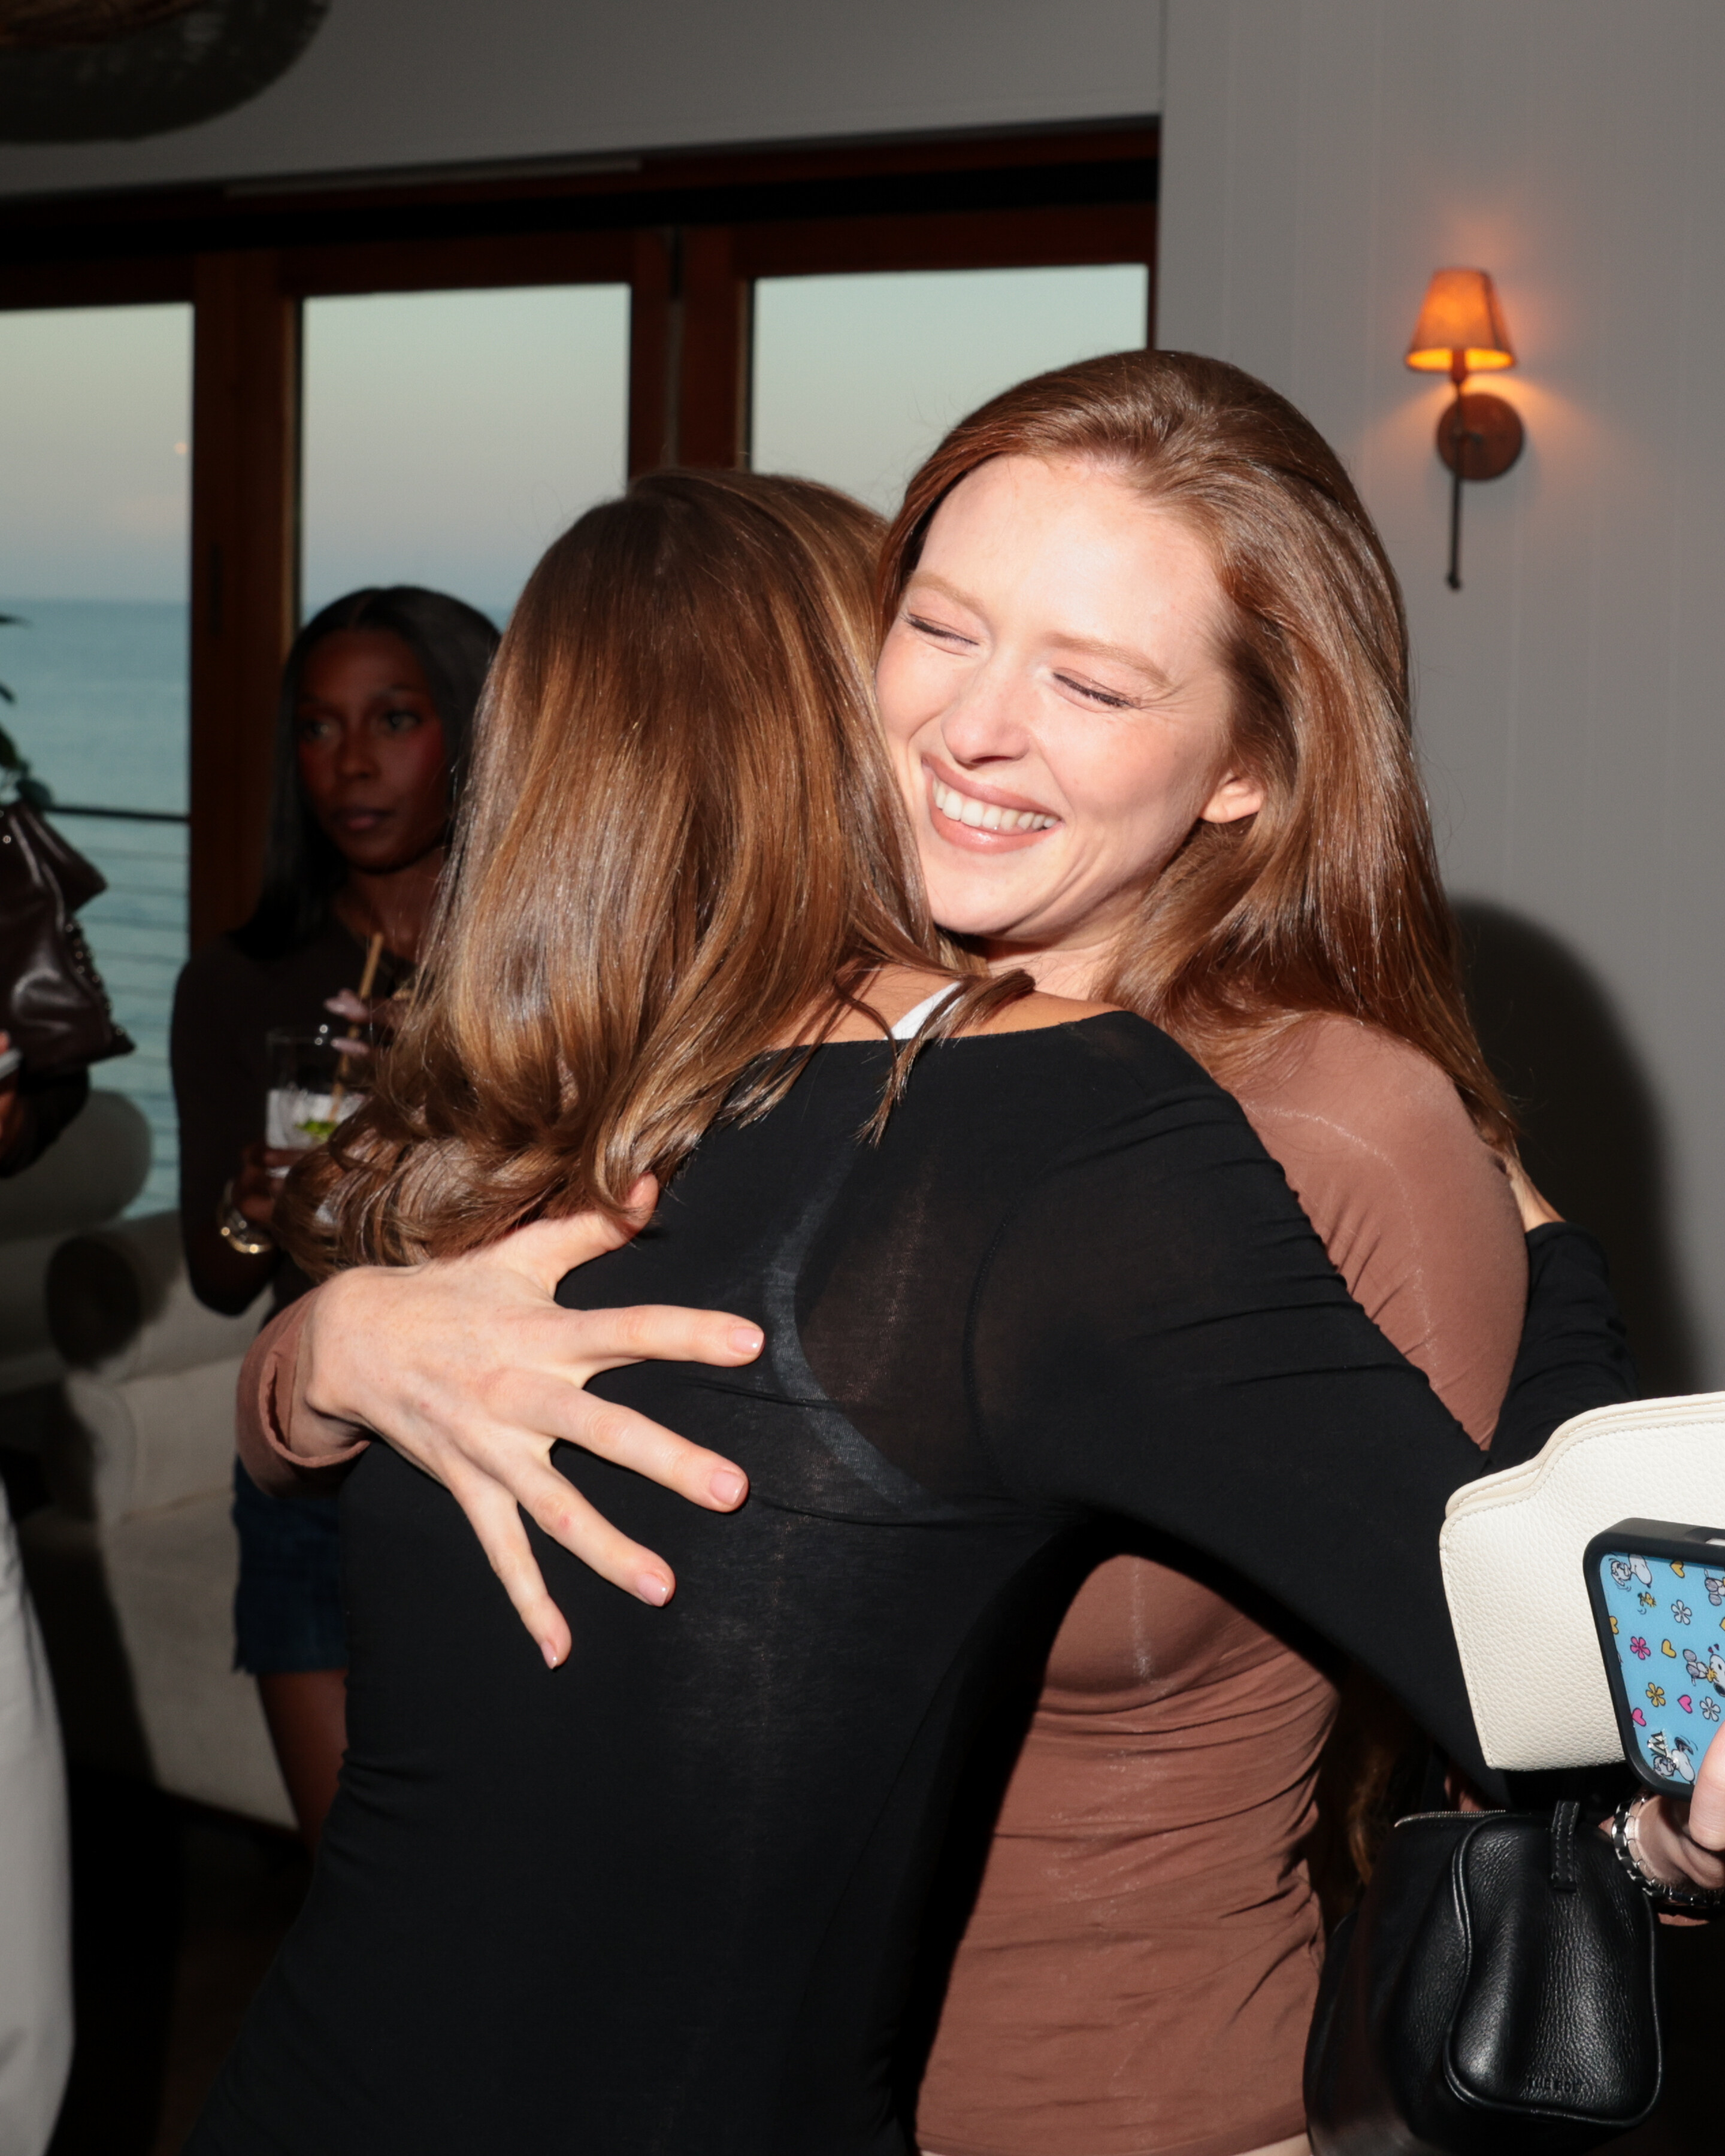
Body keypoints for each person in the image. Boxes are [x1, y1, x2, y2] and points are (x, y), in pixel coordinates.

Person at [229, 358, 1670, 2153]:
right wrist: (333, 1352)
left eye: (1093, 682)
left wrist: (1668, 1793)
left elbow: (1531, 1648)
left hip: (1097, 2116)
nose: (975, 730)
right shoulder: (751, 1030)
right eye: (943, 628)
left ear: (1247, 767)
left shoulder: (1328, 1125)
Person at [169, 585, 497, 1842]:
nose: (350, 762)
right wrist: (258, 1208)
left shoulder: (540, 980)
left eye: (395, 719)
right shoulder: (239, 982)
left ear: (472, 731)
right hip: (309, 1470)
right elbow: (218, 1276)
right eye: (317, 727)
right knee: (353, 1882)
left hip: (491, 1460)